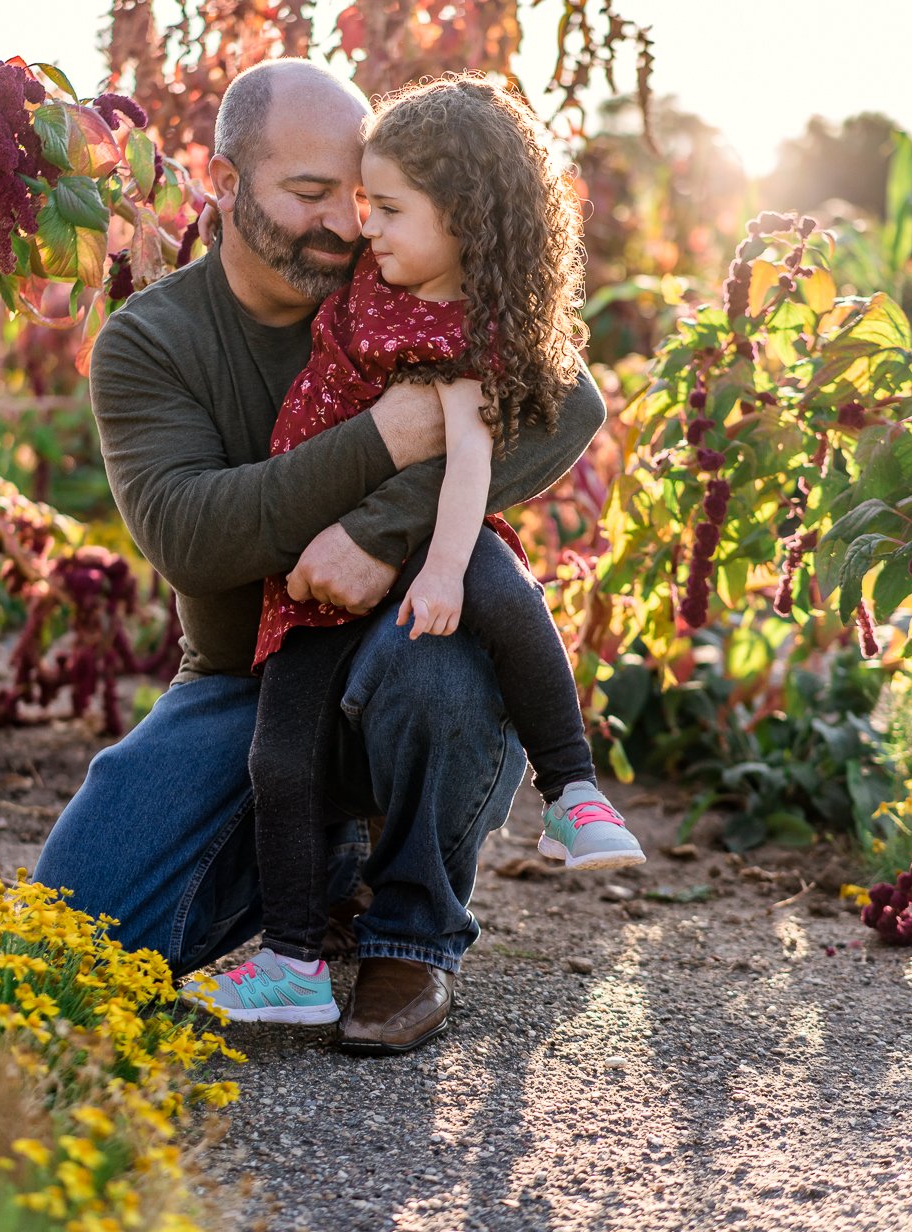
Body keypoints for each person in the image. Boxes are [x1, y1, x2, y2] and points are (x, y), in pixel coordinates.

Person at [34, 57, 608, 1055]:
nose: (343, 227)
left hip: (398, 642)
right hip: (244, 679)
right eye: (306, 195)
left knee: (442, 663)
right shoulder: (151, 341)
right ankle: (327, 863)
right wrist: (391, 433)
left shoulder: (394, 276)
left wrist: (376, 535)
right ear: (221, 183)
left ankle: (407, 941)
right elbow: (191, 534)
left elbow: (569, 404)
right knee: (69, 935)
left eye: (352, 197)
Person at [202, 75, 644, 1030]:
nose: (362, 226)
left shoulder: (464, 336)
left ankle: (571, 791)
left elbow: (496, 443)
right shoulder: (373, 277)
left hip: (424, 534)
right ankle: (295, 960)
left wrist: (424, 555)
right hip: (312, 576)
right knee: (279, 762)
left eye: (386, 208)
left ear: (464, 223)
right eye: (354, 200)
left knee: (495, 594)